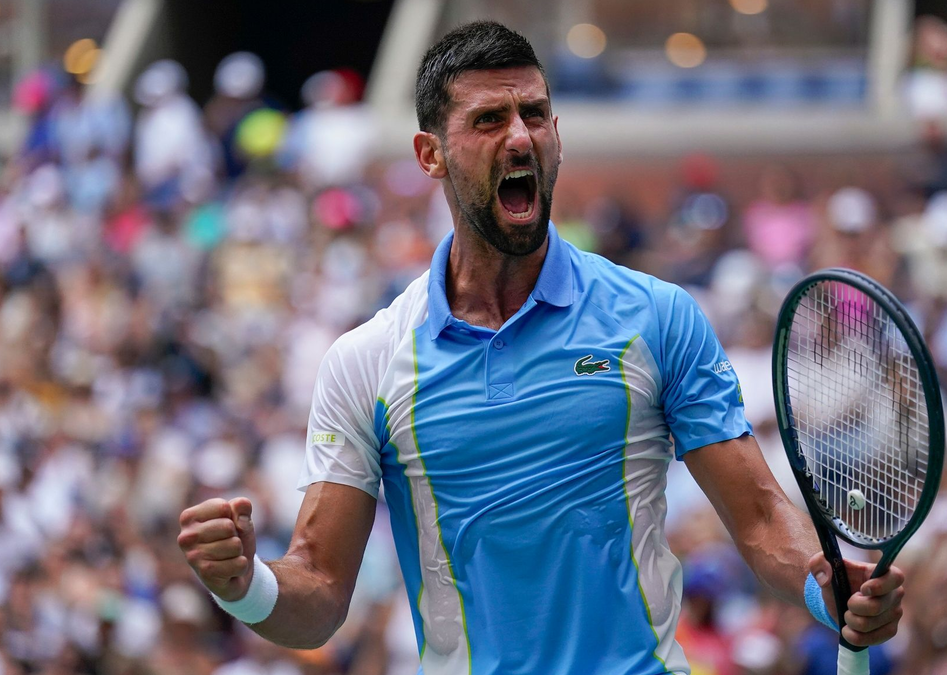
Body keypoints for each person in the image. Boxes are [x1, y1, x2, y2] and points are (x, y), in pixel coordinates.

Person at [177, 21, 906, 674]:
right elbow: (320, 591)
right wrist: (247, 585)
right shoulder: (366, 361)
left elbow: (757, 518)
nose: (520, 137)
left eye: (534, 114)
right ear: (430, 154)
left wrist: (824, 583)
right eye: (489, 119)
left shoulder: (657, 318)